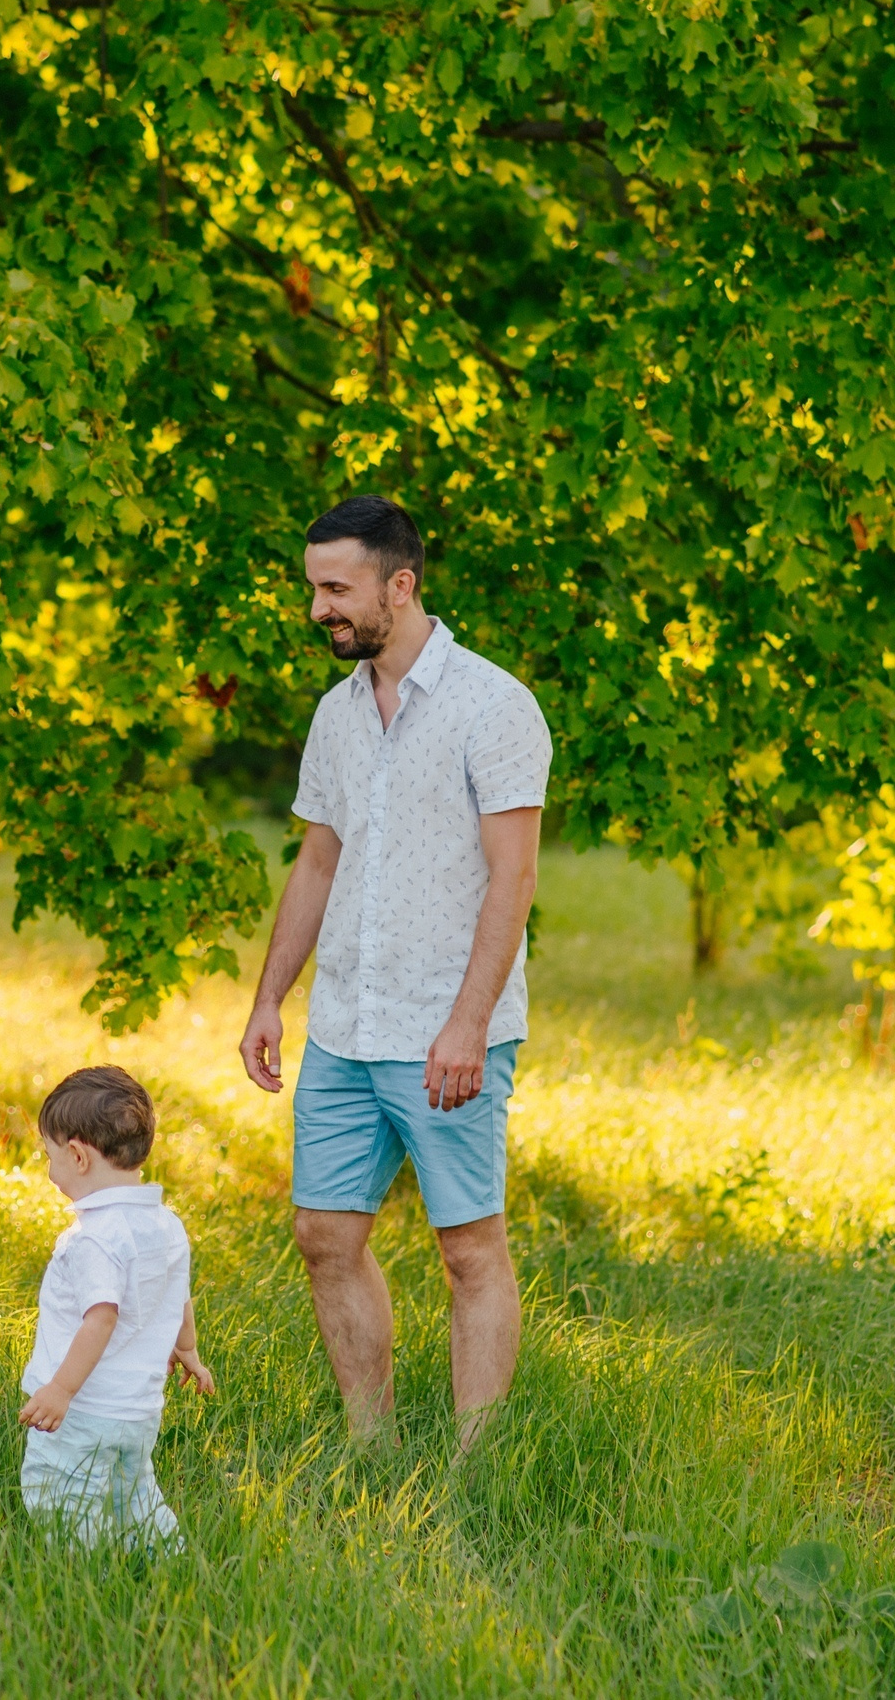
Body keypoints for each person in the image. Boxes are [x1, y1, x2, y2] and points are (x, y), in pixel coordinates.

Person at [237, 494, 549, 1447]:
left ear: (400, 585)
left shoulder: (494, 706)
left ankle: (477, 1465)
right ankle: (371, 1446)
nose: (318, 609)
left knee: (468, 1251)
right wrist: (268, 1000)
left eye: (337, 589)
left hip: (445, 1030)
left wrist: (466, 1022)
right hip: (345, 1026)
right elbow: (318, 861)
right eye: (313, 588)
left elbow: (515, 875)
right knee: (325, 1238)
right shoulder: (337, 715)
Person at [16, 1065, 215, 1546]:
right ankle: (165, 1562)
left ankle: (86, 1582)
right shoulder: (167, 1225)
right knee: (135, 1500)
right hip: (138, 1412)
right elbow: (179, 1294)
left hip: (83, 1410)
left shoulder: (93, 1239)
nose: (48, 1167)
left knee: (61, 1499)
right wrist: (187, 1349)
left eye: (49, 1154)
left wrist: (61, 1389)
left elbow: (100, 1317)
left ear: (78, 1155)